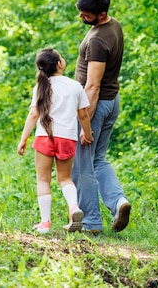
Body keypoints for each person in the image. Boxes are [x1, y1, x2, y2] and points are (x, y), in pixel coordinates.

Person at [72, 0, 131, 234]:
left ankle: (91, 223)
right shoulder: (113, 25)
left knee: (82, 163)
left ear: (101, 13)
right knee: (98, 159)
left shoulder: (97, 40)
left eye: (85, 15)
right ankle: (118, 203)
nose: (81, 17)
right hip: (112, 100)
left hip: (96, 104)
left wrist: (85, 123)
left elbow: (93, 86)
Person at [17, 48, 93, 234]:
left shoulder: (41, 86)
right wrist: (87, 133)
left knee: (43, 179)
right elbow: (83, 114)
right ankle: (74, 208)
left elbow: (34, 114)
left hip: (44, 137)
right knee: (65, 178)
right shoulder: (75, 86)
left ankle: (45, 223)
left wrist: (23, 139)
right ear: (59, 64)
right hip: (67, 137)